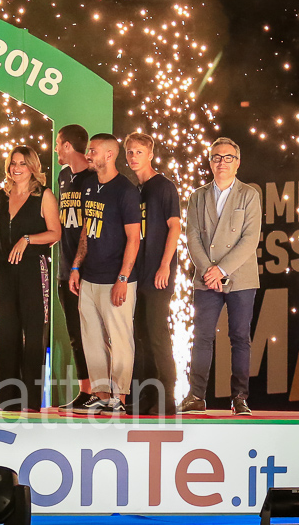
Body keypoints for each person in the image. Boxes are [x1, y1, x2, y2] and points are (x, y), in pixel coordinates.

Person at [178, 137, 261, 416]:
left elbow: (250, 239)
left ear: (237, 163)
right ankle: (196, 396)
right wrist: (208, 270)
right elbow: (191, 237)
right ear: (210, 161)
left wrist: (221, 270)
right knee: (201, 336)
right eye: (216, 157)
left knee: (239, 337)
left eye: (228, 157)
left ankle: (240, 398)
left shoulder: (249, 194)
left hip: (240, 277)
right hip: (205, 278)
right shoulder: (197, 196)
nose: (221, 162)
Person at [69, 133, 141, 415]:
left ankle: (119, 398)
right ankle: (100, 396)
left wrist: (122, 279)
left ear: (109, 155)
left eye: (93, 150)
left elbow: (133, 239)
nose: (88, 155)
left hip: (116, 278)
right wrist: (76, 265)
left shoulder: (126, 190)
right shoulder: (88, 185)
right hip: (89, 277)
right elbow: (87, 229)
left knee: (120, 339)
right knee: (92, 340)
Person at [0, 147, 61, 412]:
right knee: (7, 333)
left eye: (22, 163)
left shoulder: (44, 195)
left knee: (33, 334)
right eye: (13, 163)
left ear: (32, 167)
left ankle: (30, 401)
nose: (16, 168)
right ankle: (7, 399)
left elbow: (55, 233)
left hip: (33, 269)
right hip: (4, 271)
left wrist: (27, 239)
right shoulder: (2, 195)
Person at [125, 133, 181, 416]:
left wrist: (165, 265)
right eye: (129, 152)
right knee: (141, 337)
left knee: (158, 334)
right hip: (138, 274)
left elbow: (175, 227)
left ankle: (167, 397)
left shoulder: (163, 186)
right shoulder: (135, 190)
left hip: (158, 273)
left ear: (150, 154)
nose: (133, 157)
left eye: (139, 151)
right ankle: (147, 395)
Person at [55, 124, 93, 409]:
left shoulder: (94, 178)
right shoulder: (63, 176)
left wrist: (79, 266)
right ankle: (85, 390)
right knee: (75, 335)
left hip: (88, 270)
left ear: (67, 145)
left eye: (58, 144)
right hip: (64, 266)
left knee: (93, 334)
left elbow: (90, 226)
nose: (56, 149)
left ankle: (105, 393)